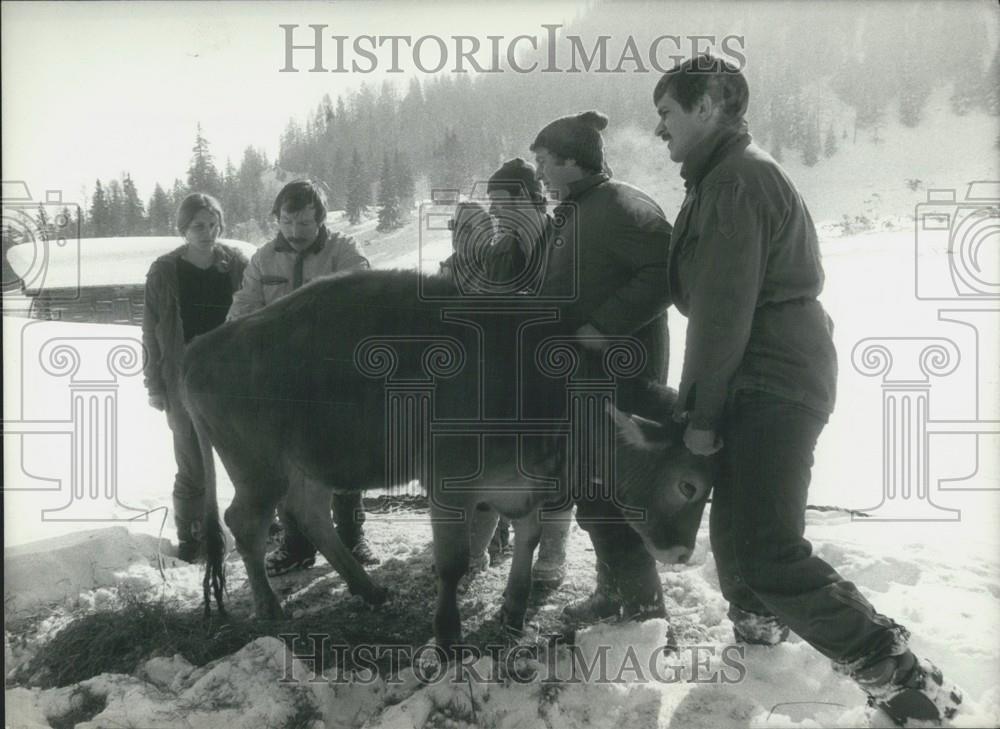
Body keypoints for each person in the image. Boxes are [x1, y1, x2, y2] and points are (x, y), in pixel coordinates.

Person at [653, 55, 963, 725]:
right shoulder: (720, 180)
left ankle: (901, 675)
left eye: (667, 114)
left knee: (764, 546)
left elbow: (723, 309)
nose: (659, 131)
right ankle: (764, 641)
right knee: (738, 543)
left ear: (708, 104)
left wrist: (702, 414)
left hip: (772, 377)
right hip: (763, 375)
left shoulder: (737, 181)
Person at [528, 112, 674, 621]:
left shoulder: (621, 206)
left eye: (545, 162)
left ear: (571, 160)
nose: (540, 173)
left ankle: (640, 607)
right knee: (593, 495)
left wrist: (606, 326)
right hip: (583, 382)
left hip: (621, 381)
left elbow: (665, 271)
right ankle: (617, 594)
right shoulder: (574, 211)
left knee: (617, 495)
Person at [228, 179, 378, 574]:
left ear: (321, 221)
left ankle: (351, 539)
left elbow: (364, 300)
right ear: (276, 219)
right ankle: (297, 545)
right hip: (282, 382)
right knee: (286, 463)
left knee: (343, 459)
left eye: (305, 224)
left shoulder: (344, 252)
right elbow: (244, 307)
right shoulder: (262, 259)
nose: (295, 233)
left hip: (335, 377)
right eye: (287, 223)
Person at [143, 193, 248, 562]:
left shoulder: (236, 264)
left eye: (213, 224)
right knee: (191, 464)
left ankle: (261, 524)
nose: (207, 232)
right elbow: (151, 330)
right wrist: (154, 385)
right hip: (184, 379)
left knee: (248, 454)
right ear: (184, 229)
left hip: (233, 378)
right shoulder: (164, 271)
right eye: (198, 226)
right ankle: (193, 535)